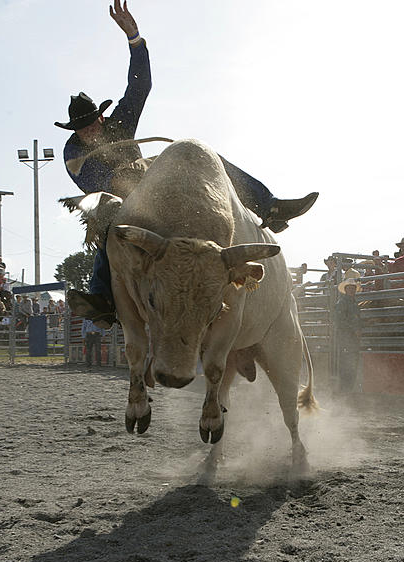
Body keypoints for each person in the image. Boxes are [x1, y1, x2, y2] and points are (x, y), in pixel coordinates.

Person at [60, 0, 319, 327]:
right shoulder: (73, 152)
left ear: (100, 115)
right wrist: (123, 181)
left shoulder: (119, 124)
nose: (88, 129)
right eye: (81, 127)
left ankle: (268, 207)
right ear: (75, 130)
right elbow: (93, 184)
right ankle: (102, 298)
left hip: (151, 185)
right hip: (121, 199)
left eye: (91, 122)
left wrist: (135, 39)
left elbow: (140, 86)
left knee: (208, 159)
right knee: (110, 222)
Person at [333, 278, 363, 393]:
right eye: (350, 288)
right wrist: (354, 329)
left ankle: (347, 390)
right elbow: (340, 321)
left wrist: (361, 325)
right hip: (346, 338)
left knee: (352, 364)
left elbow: (355, 319)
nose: (352, 290)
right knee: (347, 364)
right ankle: (344, 390)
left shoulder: (354, 303)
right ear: (346, 290)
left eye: (353, 288)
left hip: (352, 339)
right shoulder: (342, 303)